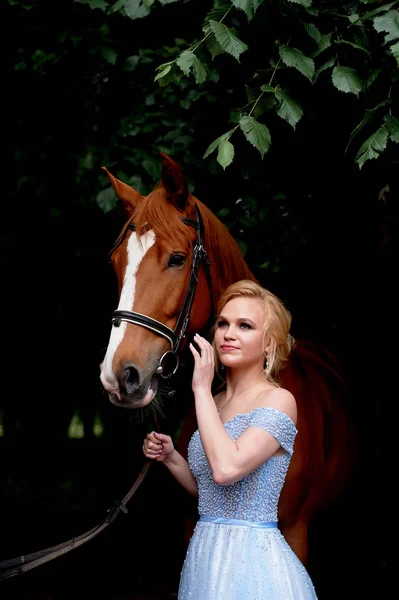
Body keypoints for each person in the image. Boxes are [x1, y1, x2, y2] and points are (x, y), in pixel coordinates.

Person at [142, 279, 318, 599]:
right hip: (205, 557)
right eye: (223, 323)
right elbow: (210, 491)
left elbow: (226, 469)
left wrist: (199, 389)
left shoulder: (278, 400)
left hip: (254, 562)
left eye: (245, 325)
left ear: (269, 343)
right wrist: (172, 458)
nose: (228, 333)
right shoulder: (217, 400)